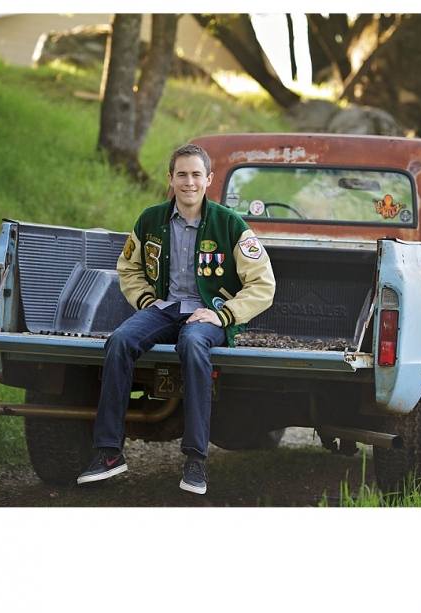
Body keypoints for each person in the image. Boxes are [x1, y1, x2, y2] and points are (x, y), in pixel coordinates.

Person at [77, 144, 276, 494]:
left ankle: (195, 461)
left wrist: (223, 315)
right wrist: (146, 300)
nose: (189, 182)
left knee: (194, 345)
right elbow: (129, 267)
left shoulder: (230, 225)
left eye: (196, 175)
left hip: (207, 314)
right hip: (163, 308)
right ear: (170, 179)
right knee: (120, 342)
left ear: (209, 180)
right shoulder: (150, 219)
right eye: (181, 174)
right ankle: (108, 452)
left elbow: (263, 284)